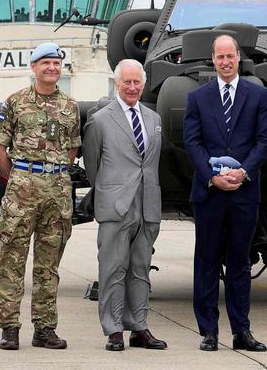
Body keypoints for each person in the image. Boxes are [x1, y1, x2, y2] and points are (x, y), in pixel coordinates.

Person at [183, 33, 267, 353]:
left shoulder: (257, 95)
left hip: (243, 192)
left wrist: (243, 171)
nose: (225, 62)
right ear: (213, 59)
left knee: (239, 264)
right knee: (206, 261)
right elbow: (192, 143)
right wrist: (211, 177)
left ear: (239, 58)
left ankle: (241, 331)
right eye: (219, 57)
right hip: (209, 193)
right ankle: (208, 331)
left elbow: (265, 140)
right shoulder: (198, 98)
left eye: (230, 56)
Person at [0, 42, 80, 351]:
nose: (52, 68)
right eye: (45, 63)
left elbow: (72, 150)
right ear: (34, 67)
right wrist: (15, 176)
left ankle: (44, 328)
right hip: (22, 189)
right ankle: (10, 327)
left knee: (48, 264)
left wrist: (54, 174)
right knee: (12, 260)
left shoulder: (71, 105)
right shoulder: (15, 102)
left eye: (56, 63)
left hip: (56, 192)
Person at [82, 59, 166, 352]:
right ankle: (114, 328)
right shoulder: (101, 119)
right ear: (116, 83)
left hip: (147, 205)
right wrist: (109, 192)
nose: (132, 87)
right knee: (113, 269)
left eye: (136, 82)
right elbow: (92, 165)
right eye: (126, 82)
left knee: (141, 269)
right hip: (115, 205)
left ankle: (139, 326)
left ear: (143, 84)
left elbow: (152, 163)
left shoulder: (154, 119)